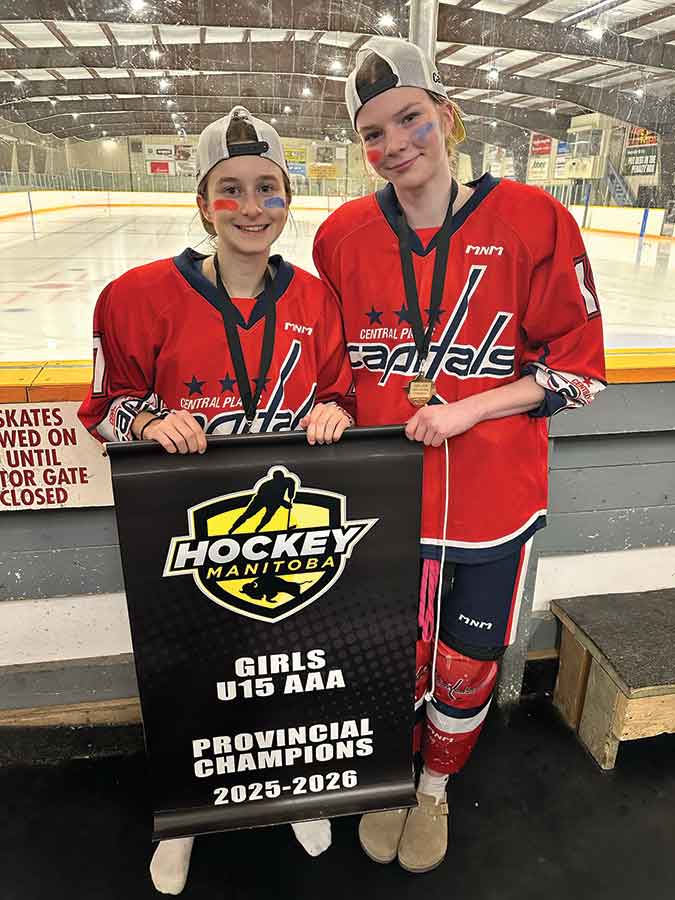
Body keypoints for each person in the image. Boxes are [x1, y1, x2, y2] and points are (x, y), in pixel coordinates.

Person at [313, 36, 606, 874]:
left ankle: (434, 786)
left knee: (465, 660)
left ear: (446, 114)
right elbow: (330, 369)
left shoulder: (534, 219)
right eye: (372, 134)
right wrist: (333, 405)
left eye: (410, 118)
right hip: (384, 501)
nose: (394, 144)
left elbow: (576, 371)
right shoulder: (340, 236)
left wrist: (468, 408)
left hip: (489, 502)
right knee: (389, 654)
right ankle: (388, 777)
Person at [78, 106, 354, 894]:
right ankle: (187, 815)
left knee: (287, 670)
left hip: (288, 533)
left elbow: (338, 392)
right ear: (203, 204)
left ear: (288, 199)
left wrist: (335, 410)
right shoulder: (134, 296)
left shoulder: (316, 301)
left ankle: (293, 786)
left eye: (268, 188)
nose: (251, 206)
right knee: (192, 676)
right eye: (230, 189)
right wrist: (148, 420)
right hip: (188, 535)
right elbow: (103, 406)